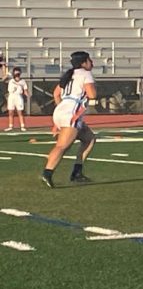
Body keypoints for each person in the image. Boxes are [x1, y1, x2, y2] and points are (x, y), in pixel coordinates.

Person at [42, 51, 97, 188]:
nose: (92, 63)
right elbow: (92, 94)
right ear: (84, 62)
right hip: (72, 112)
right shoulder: (85, 74)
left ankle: (77, 172)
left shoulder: (69, 74)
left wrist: (61, 112)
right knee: (62, 146)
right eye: (89, 60)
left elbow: (56, 93)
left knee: (89, 138)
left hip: (62, 109)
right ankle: (47, 173)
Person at [6, 66, 28, 131]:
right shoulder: (11, 81)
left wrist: (27, 94)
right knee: (10, 112)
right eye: (16, 74)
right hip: (11, 96)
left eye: (18, 74)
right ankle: (10, 126)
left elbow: (25, 90)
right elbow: (4, 80)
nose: (17, 76)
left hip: (18, 97)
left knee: (20, 112)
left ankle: (22, 126)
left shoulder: (23, 81)